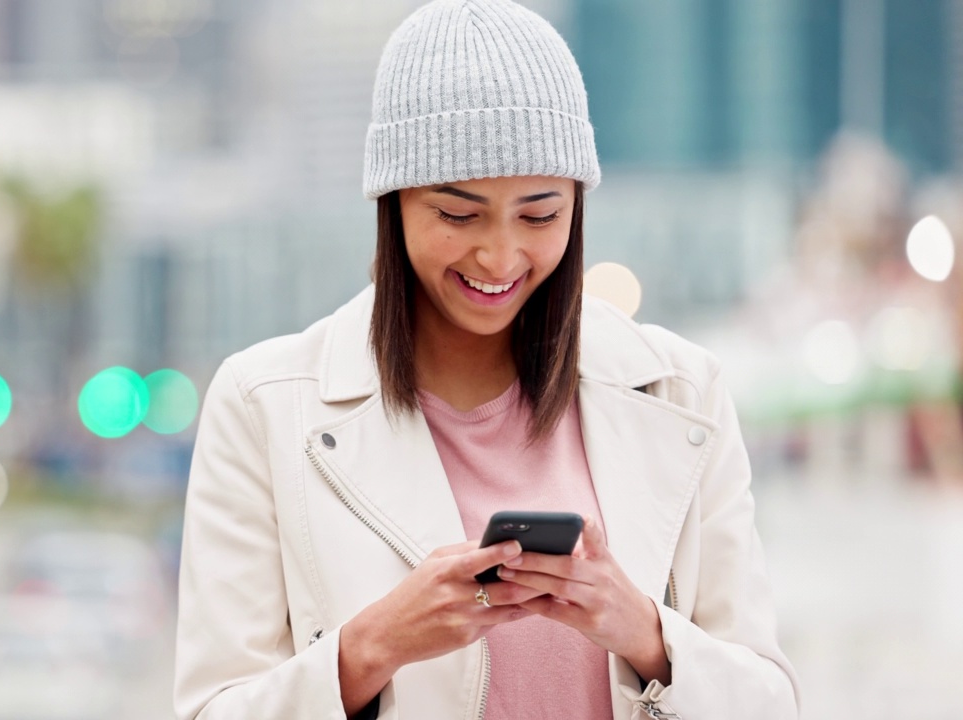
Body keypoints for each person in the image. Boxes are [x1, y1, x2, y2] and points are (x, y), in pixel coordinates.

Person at [174, 1, 801, 718]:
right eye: (458, 215)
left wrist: (642, 630)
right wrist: (373, 646)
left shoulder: (683, 391)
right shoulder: (265, 404)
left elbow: (771, 702)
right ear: (395, 202)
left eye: (540, 215)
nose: (500, 256)